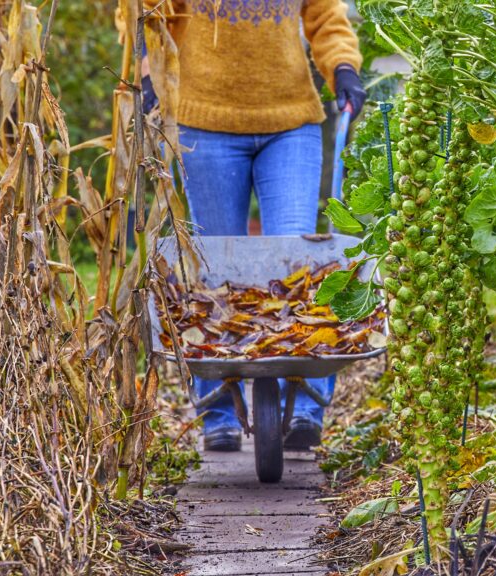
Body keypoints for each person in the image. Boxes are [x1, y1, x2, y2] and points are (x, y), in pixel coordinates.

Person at [143, 0, 366, 452]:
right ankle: (218, 410)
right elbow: (152, 17)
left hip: (291, 121)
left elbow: (325, 17)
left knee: (299, 263)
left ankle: (304, 401)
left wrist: (343, 66)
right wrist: (151, 75)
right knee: (212, 270)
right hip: (202, 122)